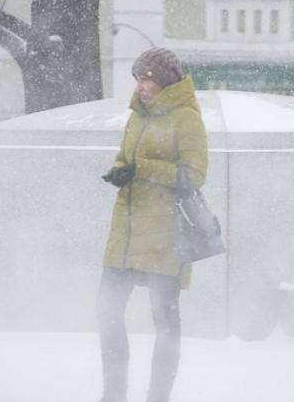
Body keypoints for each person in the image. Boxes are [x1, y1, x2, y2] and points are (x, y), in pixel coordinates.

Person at [98, 48, 208, 402]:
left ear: (164, 81)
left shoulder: (186, 117)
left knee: (165, 322)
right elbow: (126, 157)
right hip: (126, 232)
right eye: (137, 78)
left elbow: (194, 175)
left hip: (165, 236)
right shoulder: (137, 115)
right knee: (107, 313)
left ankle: (158, 397)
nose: (140, 86)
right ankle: (113, 395)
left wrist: (142, 169)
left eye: (145, 78)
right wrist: (120, 170)